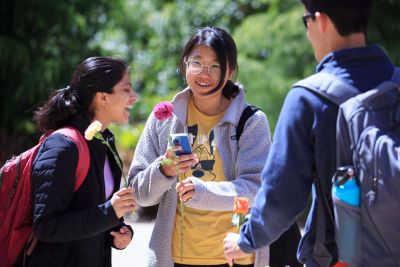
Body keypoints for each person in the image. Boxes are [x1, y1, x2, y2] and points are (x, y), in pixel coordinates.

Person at [223, 0, 399, 266]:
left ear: (321, 20)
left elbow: (282, 197)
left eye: (306, 21)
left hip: (340, 258)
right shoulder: (396, 85)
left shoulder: (308, 98)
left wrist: (246, 239)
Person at [128, 27, 301, 267]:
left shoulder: (250, 121)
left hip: (237, 257)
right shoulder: (164, 118)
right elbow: (138, 193)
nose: (204, 73)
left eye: (215, 65)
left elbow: (256, 188)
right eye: (196, 62)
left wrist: (203, 193)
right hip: (175, 258)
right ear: (184, 65)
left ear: (230, 71)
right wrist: (164, 170)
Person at [21, 56, 138, 267]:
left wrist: (119, 232)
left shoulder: (104, 142)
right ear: (103, 97)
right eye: (127, 90)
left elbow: (92, 211)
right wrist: (109, 212)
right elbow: (47, 226)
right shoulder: (62, 147)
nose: (134, 97)